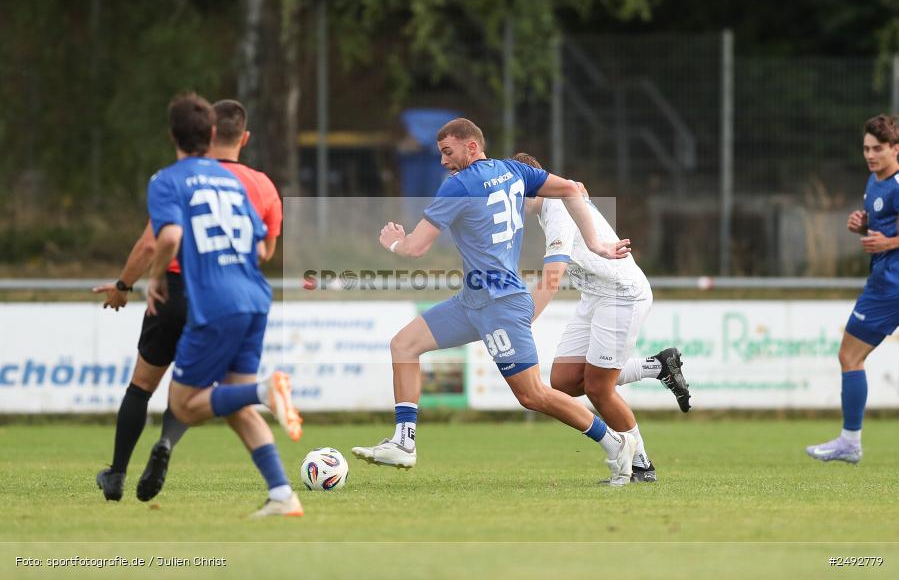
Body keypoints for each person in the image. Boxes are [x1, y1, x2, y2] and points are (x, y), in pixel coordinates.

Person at [353, 118, 640, 486]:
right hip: (473, 300)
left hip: (500, 305)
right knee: (404, 345)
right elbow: (572, 189)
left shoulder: (458, 186)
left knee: (533, 394)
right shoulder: (514, 170)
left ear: (471, 147)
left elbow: (415, 247)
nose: (443, 161)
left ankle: (617, 443)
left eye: (447, 151)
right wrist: (596, 242)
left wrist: (393, 241)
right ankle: (403, 442)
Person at [94, 99, 284, 503]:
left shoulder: (175, 180)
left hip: (184, 289)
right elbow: (262, 248)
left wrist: (129, 284)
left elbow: (155, 242)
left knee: (143, 386)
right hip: (238, 292)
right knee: (199, 391)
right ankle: (166, 445)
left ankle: (117, 474)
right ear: (230, 136)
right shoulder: (253, 184)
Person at [515, 152, 690, 483]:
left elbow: (552, 277)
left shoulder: (556, 209)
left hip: (621, 294)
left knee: (598, 389)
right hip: (596, 294)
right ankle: (658, 366)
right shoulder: (553, 201)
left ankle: (640, 466)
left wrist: (522, 323)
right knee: (564, 381)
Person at [807, 114, 899, 464]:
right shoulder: (875, 181)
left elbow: (890, 239)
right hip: (886, 279)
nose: (870, 155)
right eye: (866, 148)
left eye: (878, 149)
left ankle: (850, 442)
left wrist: (888, 242)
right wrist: (864, 227)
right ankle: (849, 442)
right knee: (851, 357)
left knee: (850, 357)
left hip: (890, 284)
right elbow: (882, 231)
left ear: (896, 149)